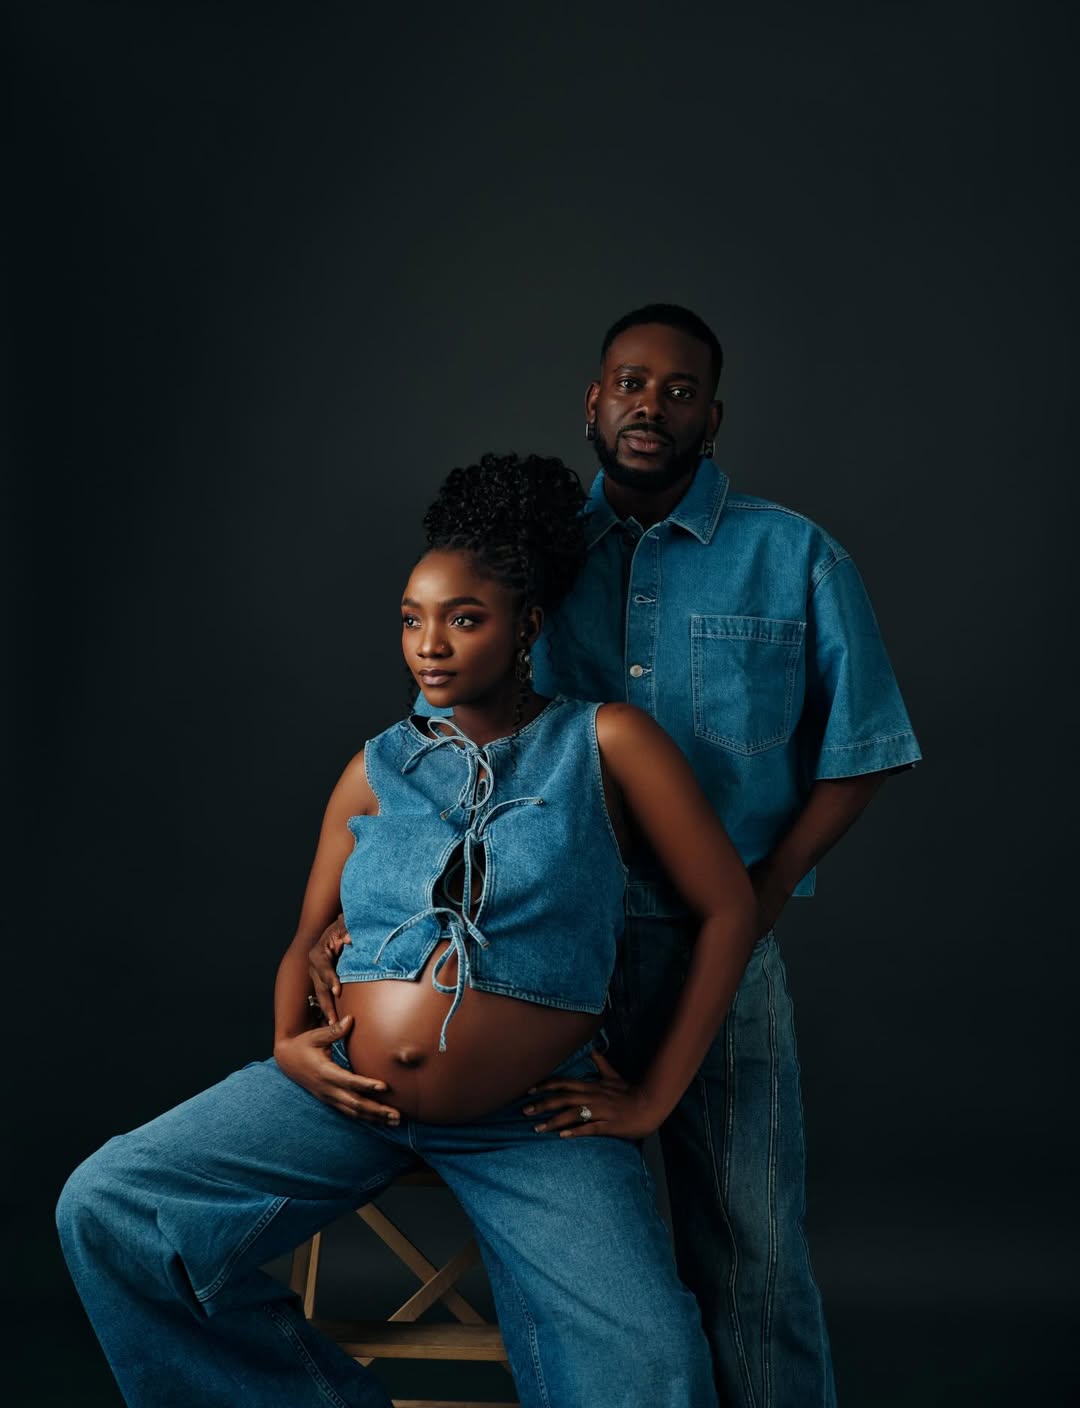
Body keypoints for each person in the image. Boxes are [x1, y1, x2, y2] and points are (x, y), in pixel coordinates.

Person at [57, 452, 761, 1408]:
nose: (429, 644)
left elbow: (730, 908)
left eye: (463, 618)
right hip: (343, 1099)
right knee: (109, 1207)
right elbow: (306, 939)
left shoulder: (605, 744)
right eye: (411, 619)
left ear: (528, 627)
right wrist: (285, 1047)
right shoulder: (373, 768)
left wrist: (652, 1099)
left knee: (655, 1365)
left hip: (531, 1123)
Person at [321, 305, 920, 1407]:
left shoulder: (792, 558)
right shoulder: (535, 560)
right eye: (630, 384)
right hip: (542, 945)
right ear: (593, 404)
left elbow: (865, 747)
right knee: (573, 1228)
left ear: (714, 416)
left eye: (679, 390)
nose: (652, 405)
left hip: (718, 941)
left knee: (754, 1248)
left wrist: (767, 888)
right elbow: (437, 743)